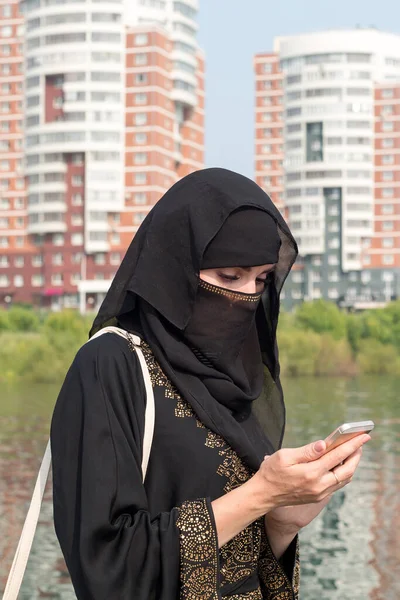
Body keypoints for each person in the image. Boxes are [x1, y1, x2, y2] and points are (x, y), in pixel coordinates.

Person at [51, 168, 370, 599]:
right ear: (176, 268)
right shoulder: (111, 365)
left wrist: (282, 521)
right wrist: (260, 494)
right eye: (229, 277)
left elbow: (242, 564)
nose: (247, 297)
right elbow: (105, 566)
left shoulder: (234, 379)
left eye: (260, 280)